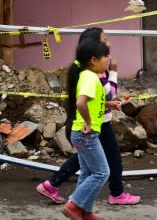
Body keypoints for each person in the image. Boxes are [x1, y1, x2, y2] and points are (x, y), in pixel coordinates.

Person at [36, 28, 140, 206]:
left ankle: (59, 190)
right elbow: (107, 93)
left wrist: (108, 105)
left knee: (86, 160)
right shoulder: (93, 73)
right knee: (105, 163)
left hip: (95, 121)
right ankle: (112, 194)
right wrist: (113, 72)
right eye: (104, 40)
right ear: (93, 53)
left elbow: (97, 98)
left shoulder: (87, 69)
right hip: (94, 123)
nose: (109, 44)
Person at [61, 39, 112, 220]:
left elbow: (91, 101)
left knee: (88, 172)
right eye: (106, 56)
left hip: (81, 134)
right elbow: (81, 103)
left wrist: (109, 104)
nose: (109, 59)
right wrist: (89, 123)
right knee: (101, 172)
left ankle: (85, 211)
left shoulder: (87, 76)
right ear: (93, 60)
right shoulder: (90, 77)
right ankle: (74, 206)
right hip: (86, 134)